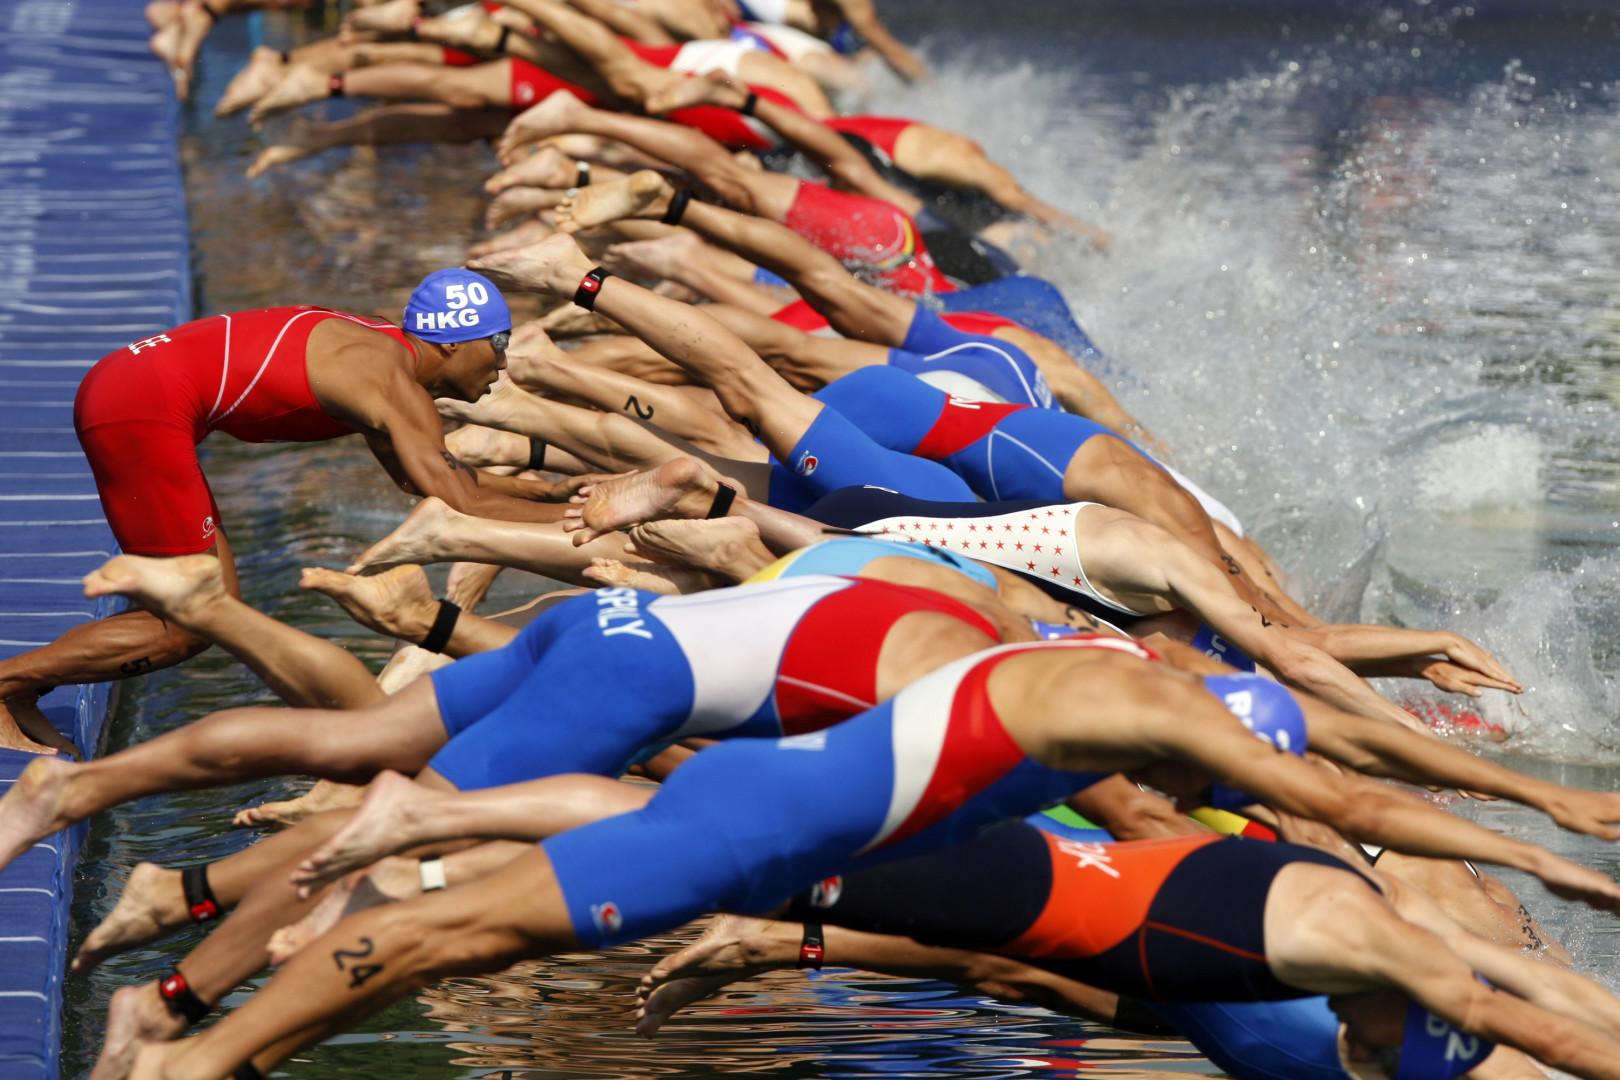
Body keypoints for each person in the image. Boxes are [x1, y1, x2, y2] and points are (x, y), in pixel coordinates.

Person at [121, 639, 1620, 1080]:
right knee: (452, 938)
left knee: (468, 928)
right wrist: (1534, 821)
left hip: (779, 817)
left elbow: (1316, 791)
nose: (1161, 791)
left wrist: (1545, 839)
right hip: (759, 830)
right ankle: (205, 1040)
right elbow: (1310, 786)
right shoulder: (1128, 714)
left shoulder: (1094, 702)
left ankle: (256, 993)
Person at [0, 269, 557, 755]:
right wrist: (597, 519)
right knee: (186, 627)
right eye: (500, 341)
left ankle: (21, 687)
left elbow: (423, 476)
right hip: (140, 409)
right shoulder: (388, 379)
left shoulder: (383, 355)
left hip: (135, 390)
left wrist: (556, 493)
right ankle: (7, 682)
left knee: (206, 608)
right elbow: (457, 500)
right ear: (455, 343)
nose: (504, 362)